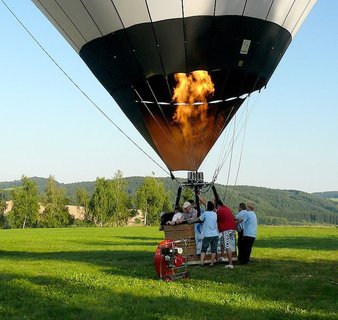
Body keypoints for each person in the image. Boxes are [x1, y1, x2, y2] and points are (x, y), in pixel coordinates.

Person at [215, 199, 236, 269]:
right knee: (223, 242)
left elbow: (215, 219)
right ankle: (222, 257)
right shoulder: (227, 208)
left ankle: (230, 264)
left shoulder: (219, 210)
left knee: (227, 246)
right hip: (231, 229)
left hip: (226, 230)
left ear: (217, 205)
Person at [198, 201, 219, 267]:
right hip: (215, 234)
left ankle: (201, 263)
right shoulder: (215, 214)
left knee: (203, 249)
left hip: (207, 234)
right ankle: (212, 263)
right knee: (214, 250)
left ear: (207, 206)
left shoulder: (205, 213)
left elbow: (200, 219)